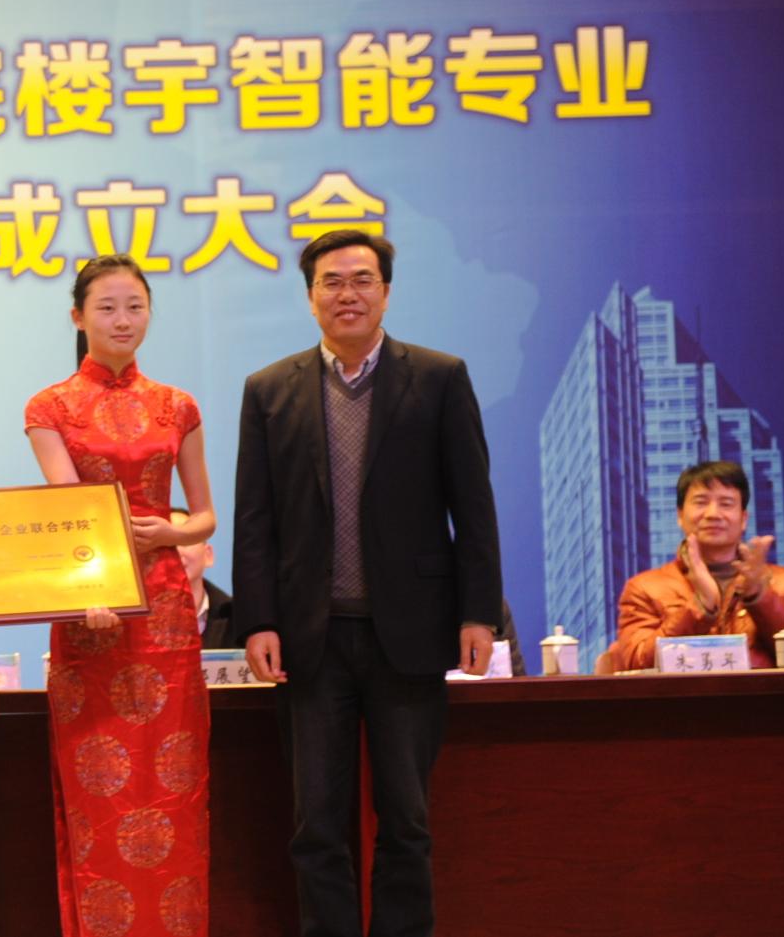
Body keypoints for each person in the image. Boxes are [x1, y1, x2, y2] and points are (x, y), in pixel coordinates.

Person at [232, 229, 502, 937]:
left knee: (406, 817)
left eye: (361, 279)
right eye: (331, 281)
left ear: (386, 291)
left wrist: (479, 614)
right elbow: (255, 519)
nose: (346, 293)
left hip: (409, 632)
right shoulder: (268, 390)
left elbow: (473, 506)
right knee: (316, 824)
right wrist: (257, 620)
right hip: (310, 639)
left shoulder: (439, 378)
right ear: (309, 296)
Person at [25, 253, 215, 937]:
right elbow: (68, 510)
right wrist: (95, 583)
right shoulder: (50, 406)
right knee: (98, 792)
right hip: (90, 609)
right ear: (78, 317)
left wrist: (170, 530)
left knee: (173, 788)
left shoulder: (177, 405)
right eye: (106, 307)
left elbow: (205, 517)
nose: (122, 320)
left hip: (164, 614)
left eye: (135, 306)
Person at [607, 460, 784, 671]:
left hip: (764, 697)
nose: (713, 514)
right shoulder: (645, 588)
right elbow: (635, 663)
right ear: (680, 515)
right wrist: (700, 607)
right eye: (701, 502)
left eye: (726, 504)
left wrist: (760, 597)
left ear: (743, 518)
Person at [172, 506, 237, 650]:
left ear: (208, 555)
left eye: (185, 540)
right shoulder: (131, 620)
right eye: (166, 544)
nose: (176, 551)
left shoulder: (236, 616)